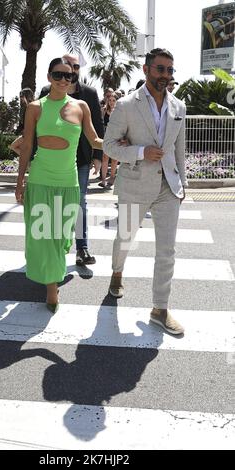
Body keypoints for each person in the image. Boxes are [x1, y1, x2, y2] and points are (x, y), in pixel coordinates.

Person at [103, 48, 187, 336]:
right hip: (135, 184)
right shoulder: (126, 105)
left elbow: (179, 150)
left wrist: (182, 185)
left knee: (167, 251)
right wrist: (140, 151)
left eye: (169, 70)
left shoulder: (179, 107)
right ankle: (117, 273)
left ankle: (160, 308)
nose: (166, 75)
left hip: (168, 188)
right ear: (146, 69)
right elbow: (109, 146)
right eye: (160, 69)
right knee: (125, 238)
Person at [15, 58, 103, 313]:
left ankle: (53, 270)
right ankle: (52, 289)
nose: (64, 80)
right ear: (48, 76)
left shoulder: (82, 106)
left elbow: (94, 139)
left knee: (63, 236)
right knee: (45, 236)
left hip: (69, 181)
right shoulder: (35, 108)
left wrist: (122, 145)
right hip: (41, 178)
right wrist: (20, 181)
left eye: (70, 77)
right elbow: (27, 146)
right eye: (58, 75)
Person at [39, 54, 104, 267]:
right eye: (67, 68)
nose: (72, 71)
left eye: (76, 67)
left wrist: (98, 156)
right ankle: (53, 249)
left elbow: (97, 126)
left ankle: (82, 247)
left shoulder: (89, 94)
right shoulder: (46, 93)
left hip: (81, 158)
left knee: (79, 202)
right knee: (53, 204)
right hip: (51, 162)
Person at [99, 92, 119, 189]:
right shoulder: (103, 110)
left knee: (114, 159)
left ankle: (112, 178)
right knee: (105, 158)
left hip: (116, 136)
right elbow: (101, 123)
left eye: (113, 100)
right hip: (106, 135)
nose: (111, 102)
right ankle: (103, 179)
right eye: (110, 100)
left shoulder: (119, 111)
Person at [10, 88, 34, 156]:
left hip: (30, 134)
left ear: (26, 96)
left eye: (22, 96)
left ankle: (29, 160)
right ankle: (29, 161)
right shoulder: (26, 107)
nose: (20, 98)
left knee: (13, 146)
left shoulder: (32, 106)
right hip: (28, 134)